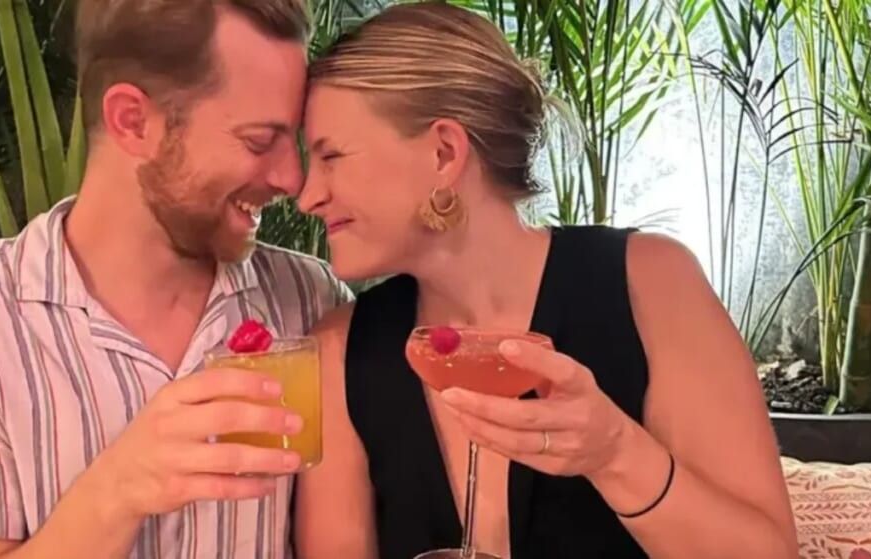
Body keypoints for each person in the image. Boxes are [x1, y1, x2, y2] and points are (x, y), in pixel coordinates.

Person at [292, 3, 798, 558]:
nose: (307, 195)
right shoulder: (341, 350)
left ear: (444, 152)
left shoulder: (650, 281)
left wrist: (615, 454)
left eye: (332, 156)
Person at [0, 1, 351, 558]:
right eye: (256, 140)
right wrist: (119, 489)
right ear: (132, 120)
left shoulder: (312, 302)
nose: (292, 178)